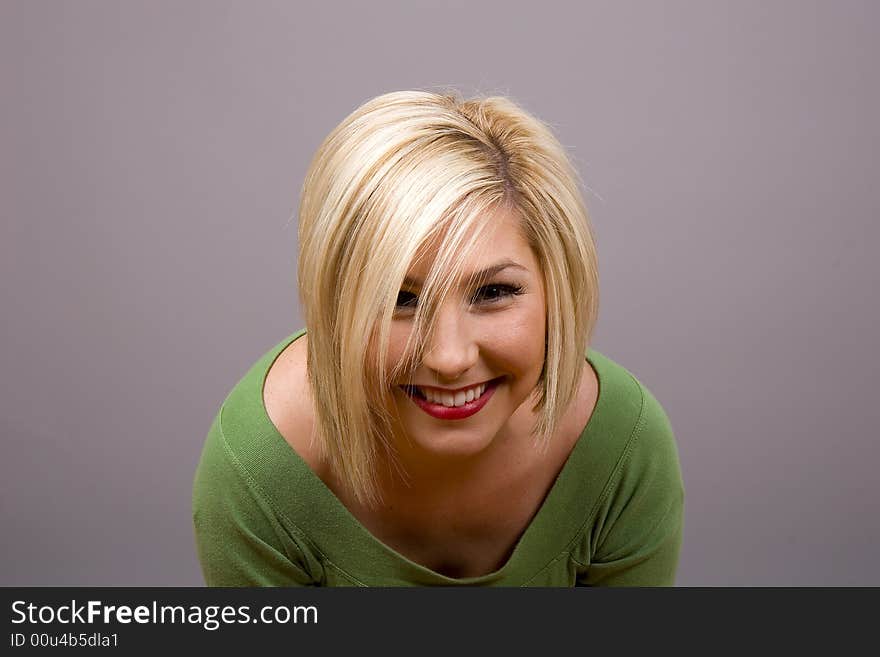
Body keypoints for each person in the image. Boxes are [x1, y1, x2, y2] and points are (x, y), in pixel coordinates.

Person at [191, 89, 685, 586]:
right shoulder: (261, 469)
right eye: (398, 300)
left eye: (493, 291)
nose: (449, 358)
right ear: (336, 307)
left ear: (558, 287)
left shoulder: (622, 446)